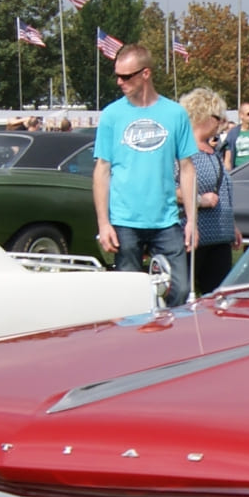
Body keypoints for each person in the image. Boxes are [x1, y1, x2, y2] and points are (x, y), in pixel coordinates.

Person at [93, 43, 199, 303]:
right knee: (131, 297)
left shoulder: (174, 113)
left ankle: (168, 339)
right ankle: (133, 341)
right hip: (125, 220)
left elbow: (187, 169)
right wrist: (104, 223)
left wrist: (192, 220)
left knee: (180, 290)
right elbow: (102, 170)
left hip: (166, 221)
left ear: (146, 74)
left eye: (126, 76)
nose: (119, 82)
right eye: (117, 75)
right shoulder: (111, 115)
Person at [178, 87, 242, 297]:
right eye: (218, 118)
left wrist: (231, 225)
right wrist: (199, 201)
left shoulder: (213, 152)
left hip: (219, 239)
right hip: (192, 239)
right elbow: (167, 192)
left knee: (218, 298)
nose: (221, 124)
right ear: (202, 116)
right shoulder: (181, 152)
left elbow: (223, 191)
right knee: (183, 297)